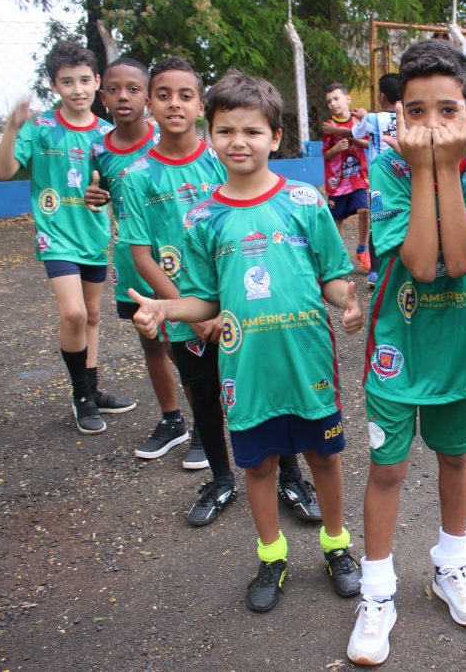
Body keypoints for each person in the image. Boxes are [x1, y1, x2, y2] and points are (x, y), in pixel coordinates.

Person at [130, 70, 364, 611]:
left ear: (275, 137)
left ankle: (336, 545)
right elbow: (205, 300)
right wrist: (165, 308)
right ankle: (272, 556)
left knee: (323, 456)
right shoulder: (203, 217)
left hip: (308, 362)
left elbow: (332, 276)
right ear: (210, 134)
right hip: (246, 369)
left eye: (253, 131)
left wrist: (348, 301)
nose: (239, 142)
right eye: (226, 130)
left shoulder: (304, 201)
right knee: (257, 465)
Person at [346, 40, 466, 666]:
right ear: (397, 114)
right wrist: (423, 170)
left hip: (461, 347)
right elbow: (418, 262)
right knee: (386, 470)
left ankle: (450, 565)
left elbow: (459, 261)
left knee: (456, 459)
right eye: (416, 112)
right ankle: (377, 591)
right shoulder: (388, 166)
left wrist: (445, 170)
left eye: (447, 110)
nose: (432, 126)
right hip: (398, 349)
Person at [117, 57, 237, 527]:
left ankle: (288, 475)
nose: (174, 104)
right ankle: (221, 479)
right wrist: (191, 313)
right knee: (203, 392)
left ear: (201, 106)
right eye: (163, 95)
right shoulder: (137, 177)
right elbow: (142, 256)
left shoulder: (222, 159)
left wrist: (223, 307)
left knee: (256, 389)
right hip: (185, 313)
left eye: (186, 96)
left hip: (236, 304)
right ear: (149, 103)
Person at [0, 41, 136, 435]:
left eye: (85, 80)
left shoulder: (107, 135)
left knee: (92, 315)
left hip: (94, 236)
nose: (77, 89)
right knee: (73, 313)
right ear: (54, 86)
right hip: (55, 237)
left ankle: (93, 388)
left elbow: (119, 186)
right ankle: (80, 396)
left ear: (97, 82)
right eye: (67, 81)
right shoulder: (41, 128)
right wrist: (12, 126)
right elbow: (3, 171)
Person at [83, 58, 194, 462]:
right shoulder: (99, 150)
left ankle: (206, 421)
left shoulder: (166, 137)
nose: (123, 97)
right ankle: (172, 420)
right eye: (114, 89)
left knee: (186, 345)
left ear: (147, 98)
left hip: (180, 262)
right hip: (135, 261)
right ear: (103, 97)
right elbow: (99, 192)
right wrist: (95, 198)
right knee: (152, 342)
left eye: (133, 89)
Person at [351, 73, 401, 289]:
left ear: (382, 96)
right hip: (402, 176)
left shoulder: (372, 119)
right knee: (401, 218)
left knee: (378, 221)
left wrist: (338, 130)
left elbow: (355, 133)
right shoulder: (408, 116)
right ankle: (399, 268)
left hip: (379, 178)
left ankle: (375, 271)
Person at [322, 83, 371, 272]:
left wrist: (355, 139)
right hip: (338, 181)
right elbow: (326, 154)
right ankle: (340, 254)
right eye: (329, 101)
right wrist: (336, 149)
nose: (333, 103)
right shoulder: (329, 126)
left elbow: (369, 144)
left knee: (364, 210)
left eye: (336, 98)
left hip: (358, 177)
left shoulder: (359, 120)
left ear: (347, 99)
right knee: (337, 219)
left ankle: (362, 250)